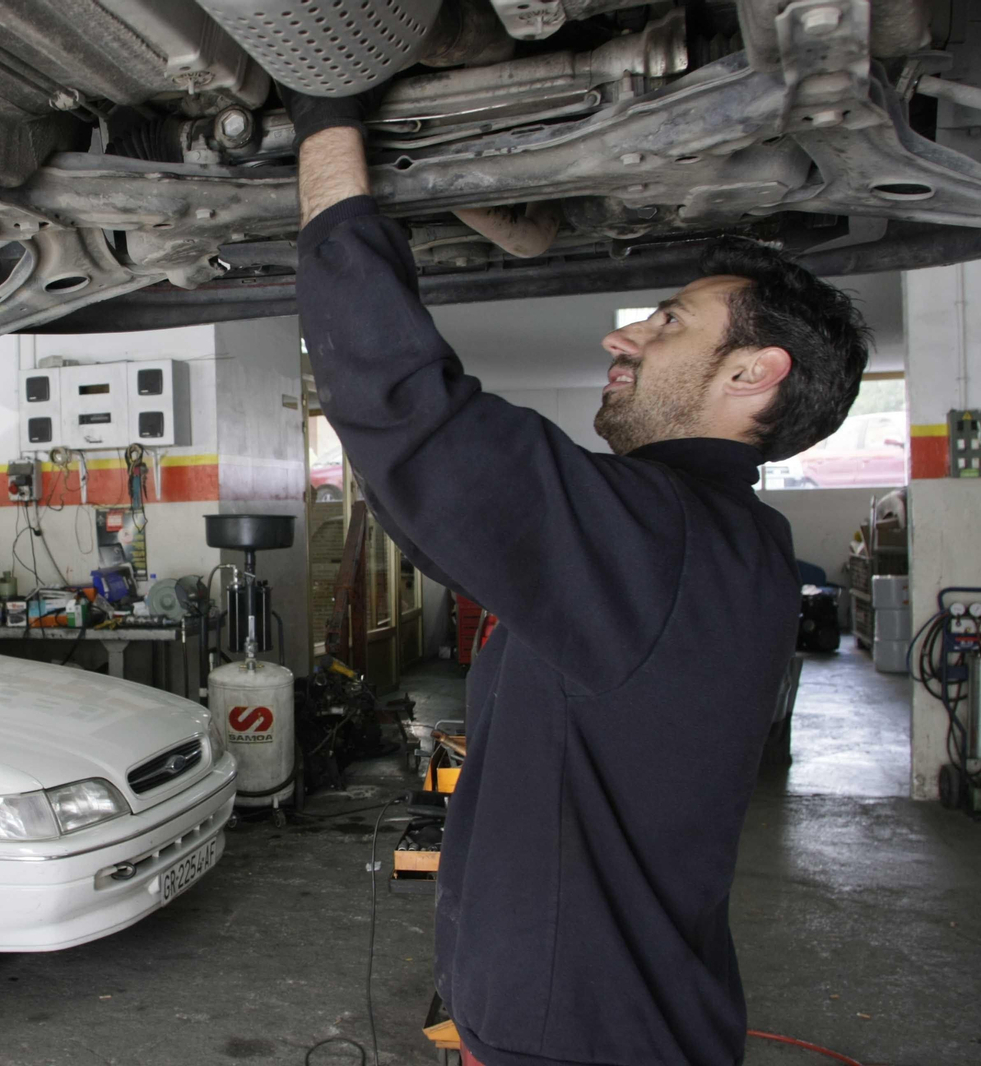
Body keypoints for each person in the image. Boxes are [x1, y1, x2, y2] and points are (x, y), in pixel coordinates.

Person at [283, 88, 870, 1066]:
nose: (621, 337)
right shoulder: (721, 541)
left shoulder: (663, 538)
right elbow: (445, 515)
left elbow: (419, 425)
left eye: (667, 323)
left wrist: (326, 125)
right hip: (604, 1026)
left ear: (750, 374)